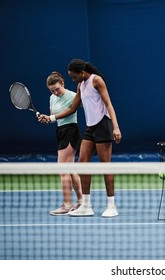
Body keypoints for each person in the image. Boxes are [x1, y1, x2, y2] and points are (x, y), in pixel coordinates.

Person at [39, 59, 122, 218]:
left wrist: (116, 127)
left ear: (82, 73)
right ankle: (86, 205)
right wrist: (51, 118)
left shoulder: (96, 80)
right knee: (82, 164)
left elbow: (109, 104)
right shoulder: (80, 86)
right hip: (90, 128)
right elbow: (71, 109)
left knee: (106, 166)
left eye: (73, 76)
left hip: (104, 125)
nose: (72, 79)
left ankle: (111, 205)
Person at [44, 71, 83, 215]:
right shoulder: (52, 98)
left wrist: (51, 118)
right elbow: (53, 115)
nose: (55, 92)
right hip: (60, 131)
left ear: (62, 83)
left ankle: (67, 205)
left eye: (57, 89)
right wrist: (46, 118)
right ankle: (80, 201)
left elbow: (70, 111)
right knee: (70, 168)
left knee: (63, 169)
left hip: (70, 130)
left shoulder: (73, 96)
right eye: (52, 90)